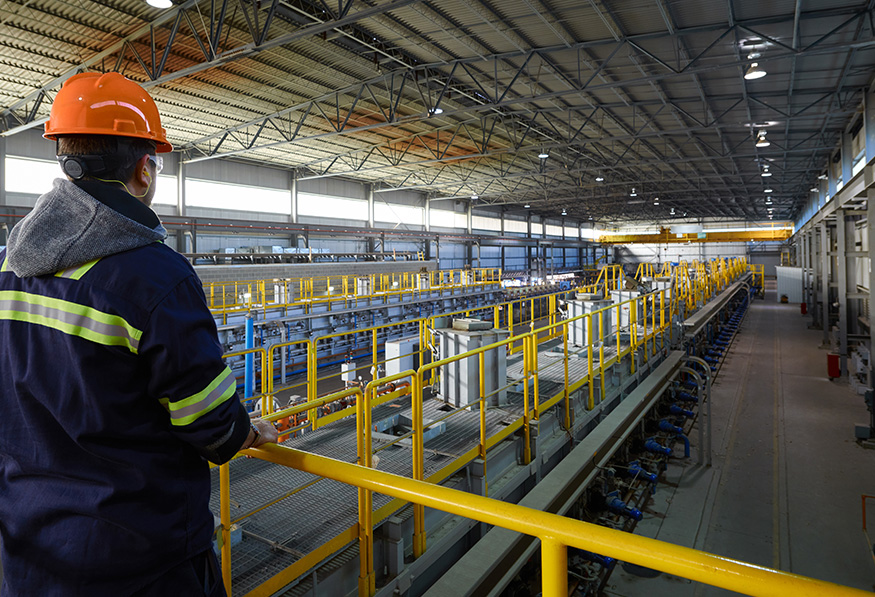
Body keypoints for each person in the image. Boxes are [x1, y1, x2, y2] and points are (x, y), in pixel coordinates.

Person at [0, 71, 277, 596]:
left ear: (64, 156)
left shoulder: (8, 269)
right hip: (137, 559)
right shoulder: (157, 277)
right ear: (144, 169)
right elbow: (212, 427)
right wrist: (245, 431)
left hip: (29, 550)